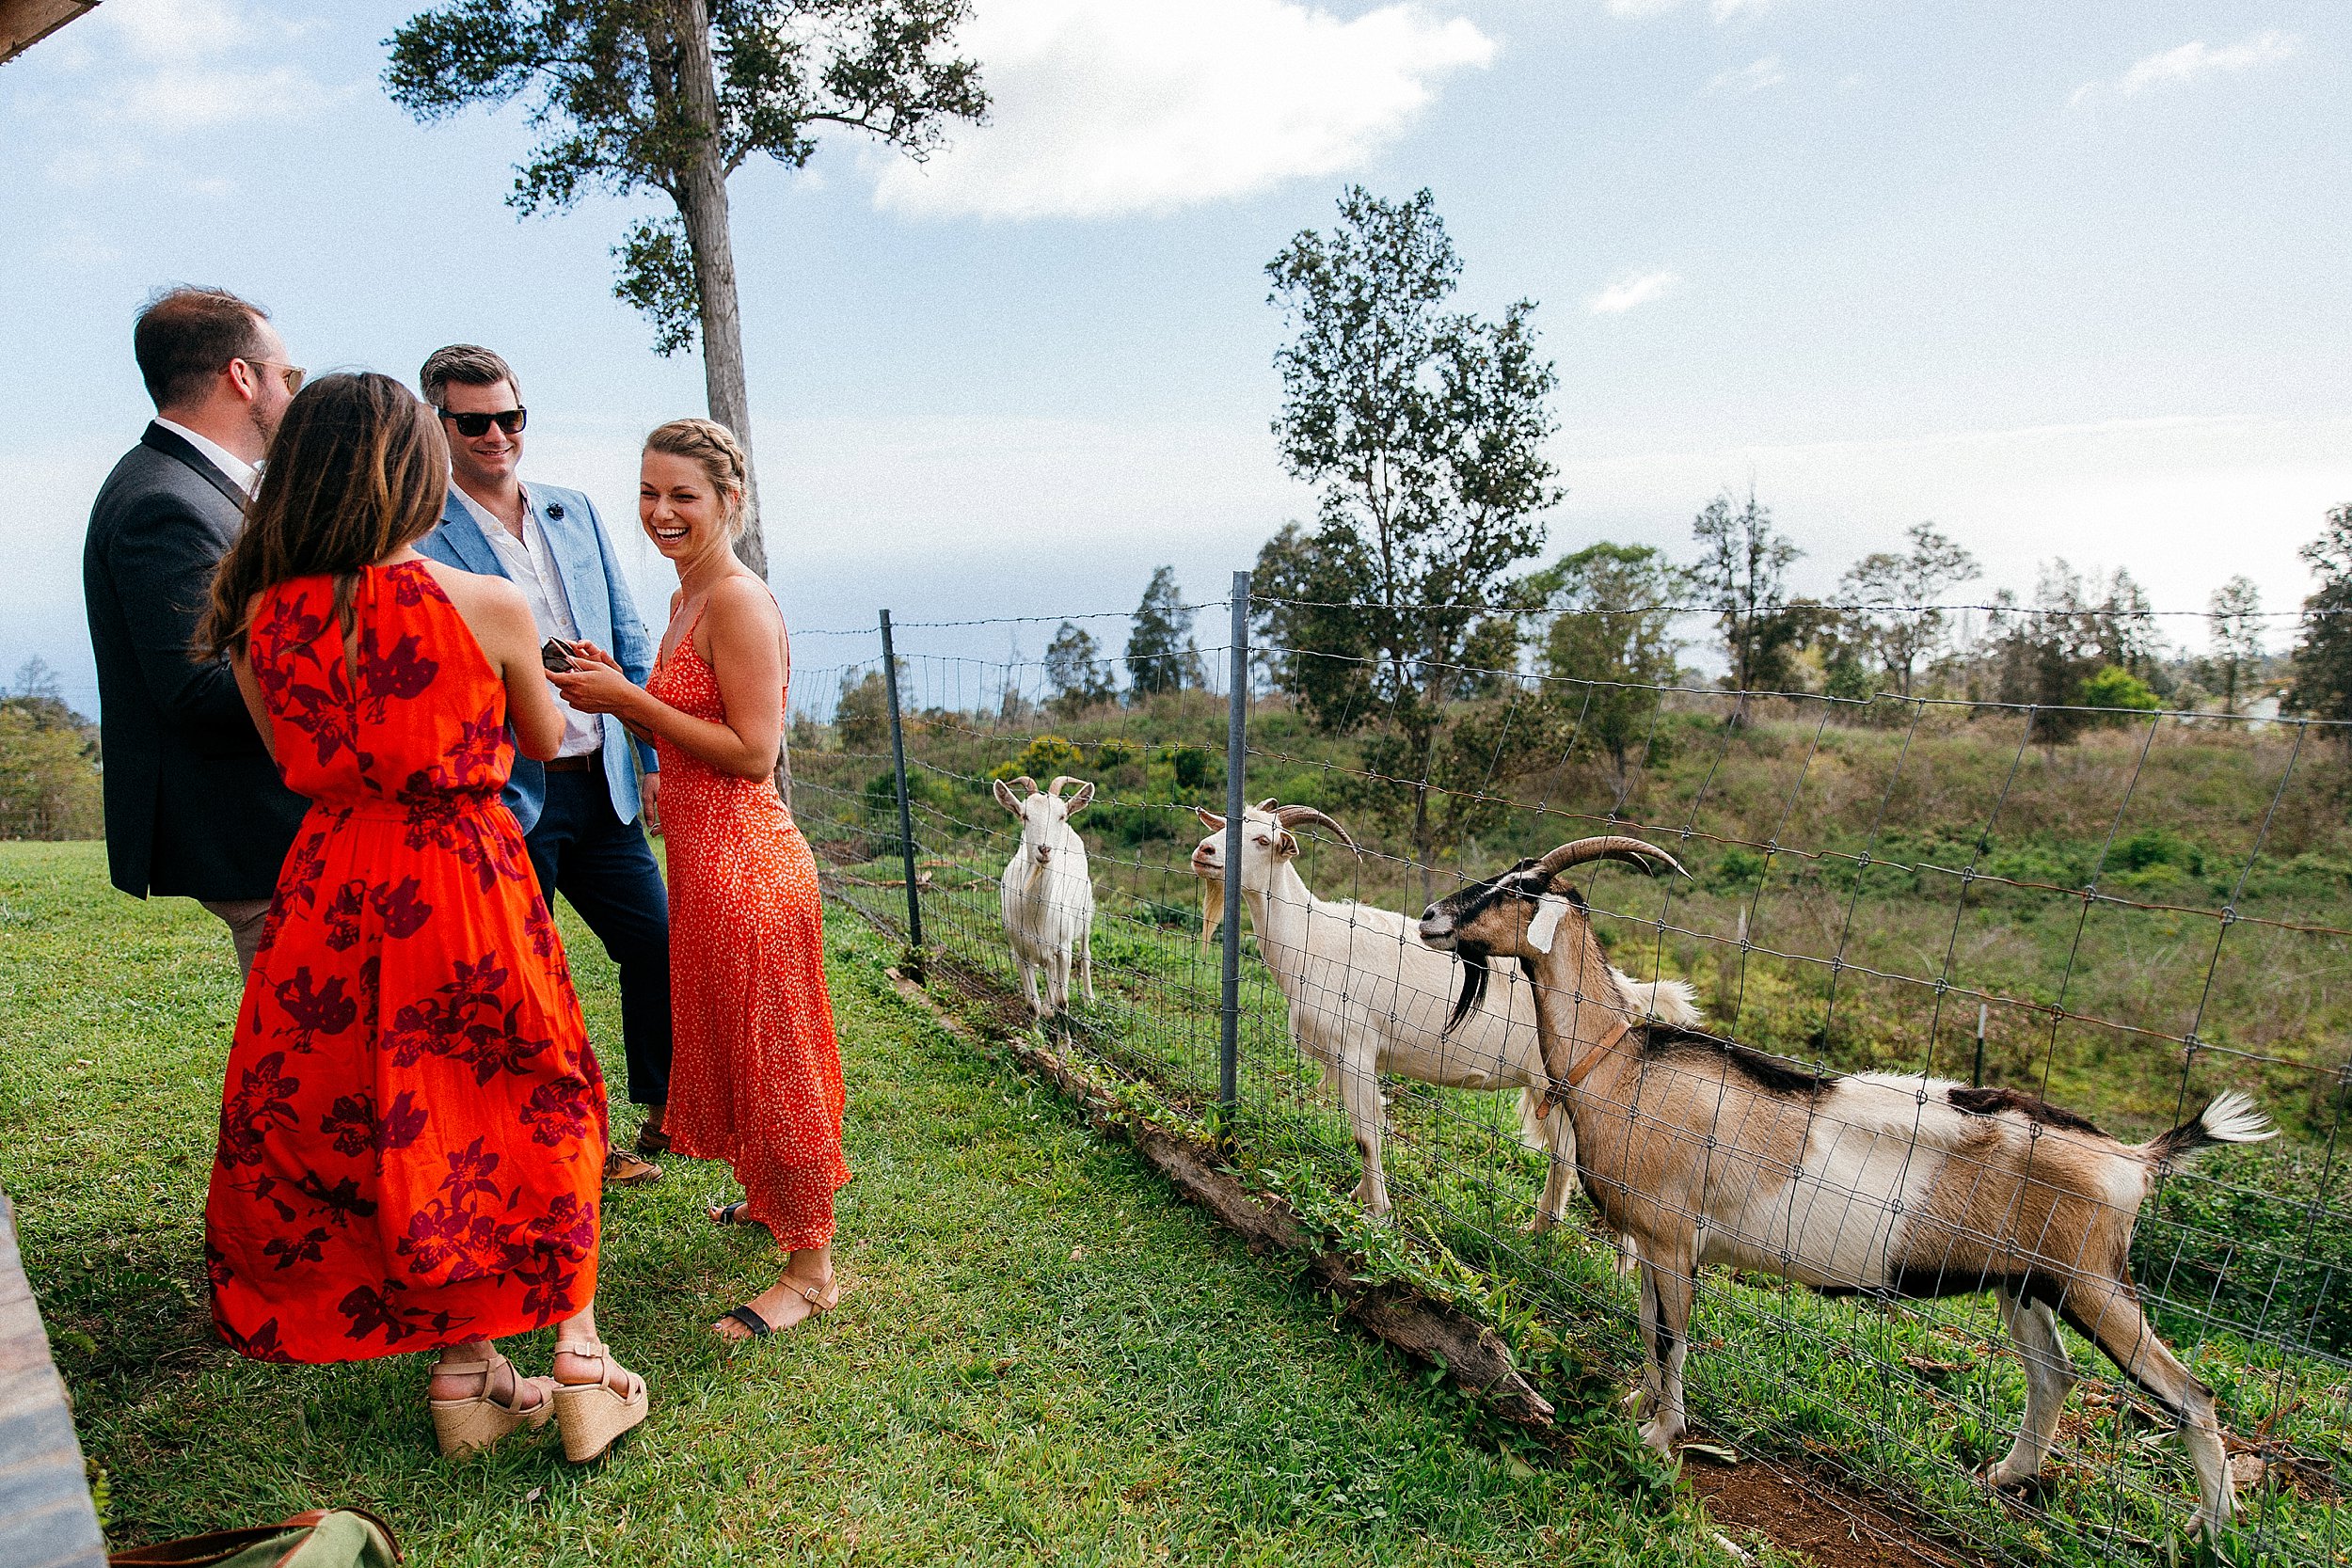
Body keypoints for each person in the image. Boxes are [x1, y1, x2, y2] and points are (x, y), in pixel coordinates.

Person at [195, 372, 647, 1463]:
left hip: (334, 886)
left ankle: (466, 1372)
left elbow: (285, 757)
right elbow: (548, 740)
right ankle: (580, 1360)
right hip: (460, 876)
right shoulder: (482, 601)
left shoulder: (258, 615)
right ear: (411, 469)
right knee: (530, 1098)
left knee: (396, 1117)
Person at [552, 419, 850, 1339]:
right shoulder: (687, 596)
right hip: (705, 867)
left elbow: (753, 751)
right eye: (648, 491)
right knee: (734, 1051)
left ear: (731, 499)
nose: (660, 511)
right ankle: (770, 1200)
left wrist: (629, 704)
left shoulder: (736, 600)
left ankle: (812, 1268)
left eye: (683, 494)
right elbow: (688, 712)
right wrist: (620, 681)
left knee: (779, 1063)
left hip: (753, 865)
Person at [412, 345, 672, 1187]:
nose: (498, 435)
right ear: (437, 424)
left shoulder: (574, 510)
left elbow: (629, 638)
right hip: (505, 794)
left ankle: (665, 1106)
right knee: (527, 984)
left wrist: (653, 756)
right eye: (475, 421)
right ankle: (573, 1143)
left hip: (604, 785)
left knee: (655, 940)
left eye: (510, 417)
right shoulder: (421, 532)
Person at [84, 286, 310, 976]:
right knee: (302, 1058)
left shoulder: (200, 484)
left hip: (266, 818)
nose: (295, 395)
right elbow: (194, 685)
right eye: (288, 376)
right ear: (242, 376)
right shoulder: (164, 500)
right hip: (250, 825)